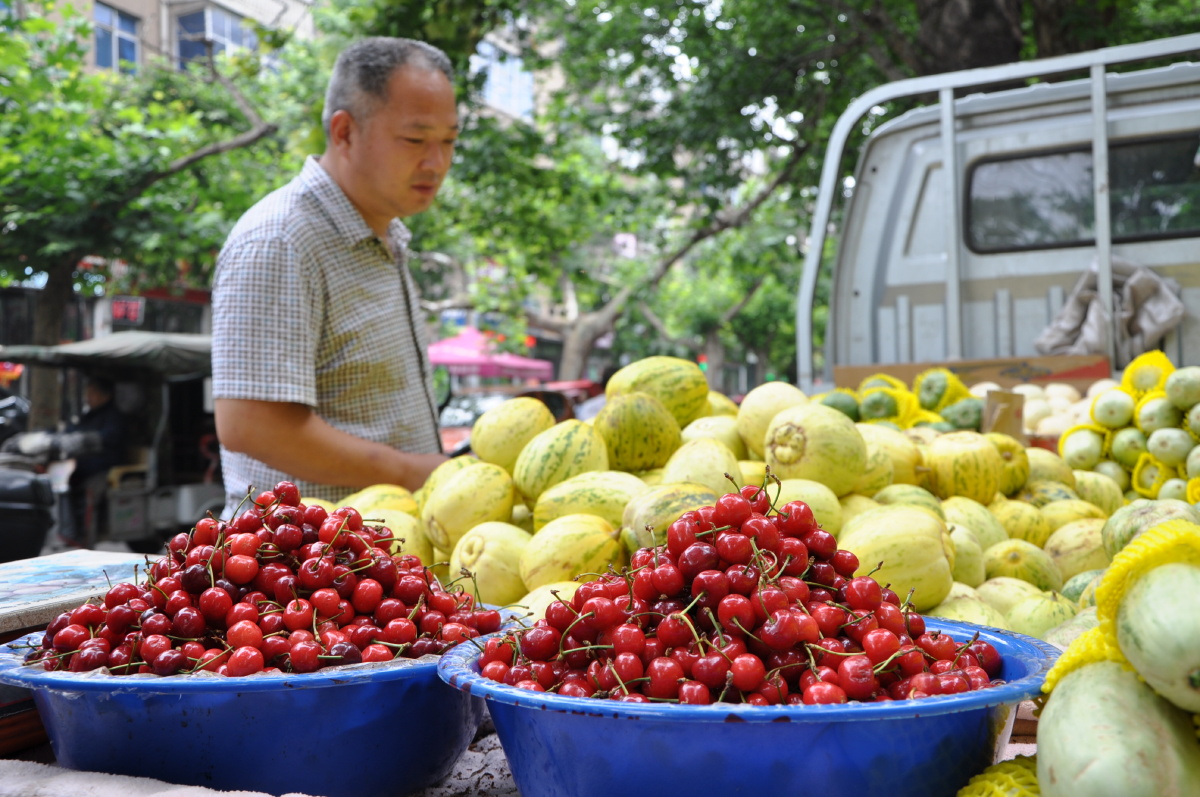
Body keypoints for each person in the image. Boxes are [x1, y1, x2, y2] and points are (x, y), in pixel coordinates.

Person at [212, 37, 456, 517]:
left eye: (449, 141)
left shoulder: (385, 235)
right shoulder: (281, 239)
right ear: (344, 131)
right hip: (298, 574)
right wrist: (415, 473)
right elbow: (252, 425)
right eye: (415, 140)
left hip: (376, 563)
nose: (437, 163)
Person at [64, 376, 127, 543]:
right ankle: (70, 532)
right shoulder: (90, 415)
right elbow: (74, 431)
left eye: (92, 393)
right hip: (83, 468)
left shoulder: (113, 416)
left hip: (104, 469)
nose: (88, 397)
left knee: (89, 493)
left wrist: (84, 439)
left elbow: (108, 438)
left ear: (106, 395)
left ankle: (86, 538)